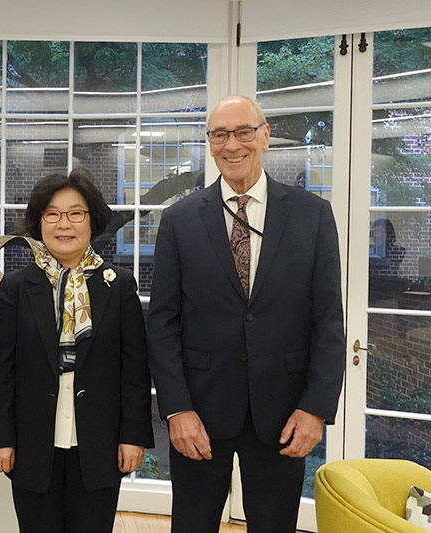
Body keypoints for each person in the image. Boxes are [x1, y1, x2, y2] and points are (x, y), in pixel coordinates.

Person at [147, 95, 345, 532]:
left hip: (284, 415)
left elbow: (329, 321)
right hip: (198, 414)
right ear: (210, 143)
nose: (231, 144)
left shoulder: (312, 215)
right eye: (219, 135)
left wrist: (316, 408)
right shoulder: (179, 220)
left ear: (265, 136)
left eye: (243, 132)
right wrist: (176, 409)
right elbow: (161, 323)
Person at [0, 168, 154, 532]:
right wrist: (0, 438)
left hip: (101, 444)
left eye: (76, 213)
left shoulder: (118, 285)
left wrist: (133, 435)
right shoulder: (17, 287)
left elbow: (135, 368)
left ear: (92, 221)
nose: (64, 224)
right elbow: (0, 368)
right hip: (31, 446)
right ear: (39, 222)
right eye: (52, 214)